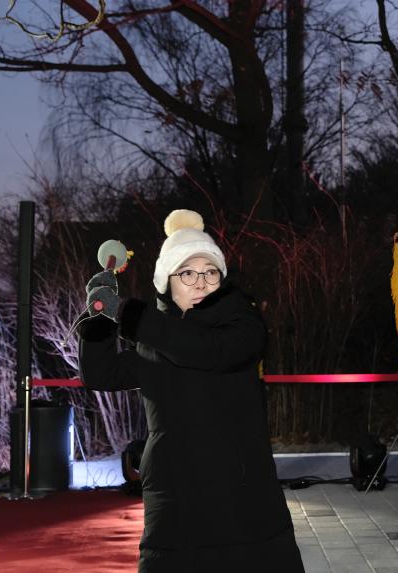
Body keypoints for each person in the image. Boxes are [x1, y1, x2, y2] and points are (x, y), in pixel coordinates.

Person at [78, 209, 305, 573]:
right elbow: (101, 375)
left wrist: (128, 314)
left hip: (240, 499)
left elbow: (201, 349)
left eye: (210, 271)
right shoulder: (155, 337)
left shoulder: (242, 325)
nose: (201, 281)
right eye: (187, 272)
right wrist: (99, 319)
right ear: (167, 281)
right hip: (174, 497)